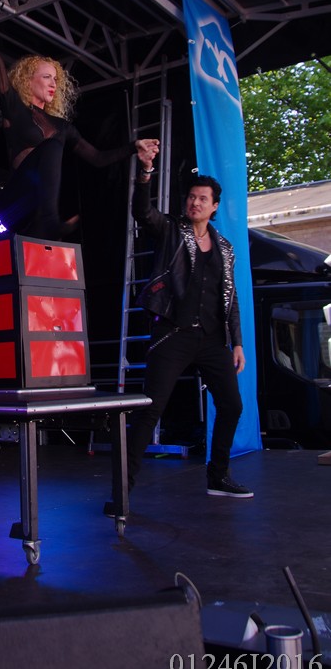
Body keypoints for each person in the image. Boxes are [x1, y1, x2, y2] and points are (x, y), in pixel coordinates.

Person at [0, 0, 159, 240]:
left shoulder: (62, 126)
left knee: (56, 141)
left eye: (56, 79)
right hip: (16, 199)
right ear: (28, 80)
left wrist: (134, 146)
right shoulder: (15, 108)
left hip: (38, 207)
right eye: (46, 77)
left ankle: (47, 224)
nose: (53, 84)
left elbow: (98, 158)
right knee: (52, 145)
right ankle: (50, 222)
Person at [126, 151, 253, 498]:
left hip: (212, 339)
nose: (195, 202)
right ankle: (122, 489)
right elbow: (143, 212)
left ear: (214, 206)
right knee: (150, 410)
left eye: (202, 199)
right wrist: (146, 171)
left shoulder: (224, 248)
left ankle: (218, 477)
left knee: (232, 405)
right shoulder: (171, 229)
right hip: (173, 333)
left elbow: (231, 298)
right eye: (192, 197)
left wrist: (237, 343)